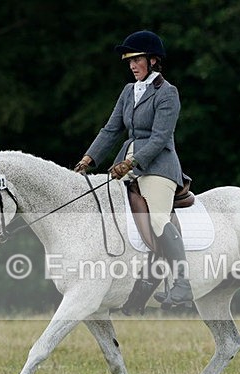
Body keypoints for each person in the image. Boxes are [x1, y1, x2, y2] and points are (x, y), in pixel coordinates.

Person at [74, 30, 193, 309]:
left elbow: (160, 138)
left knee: (158, 220)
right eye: (129, 61)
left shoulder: (167, 93)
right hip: (125, 164)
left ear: (153, 60)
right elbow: (111, 129)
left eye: (136, 59)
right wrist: (87, 160)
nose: (132, 66)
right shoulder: (129, 91)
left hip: (158, 167)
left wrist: (132, 162)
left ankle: (182, 283)